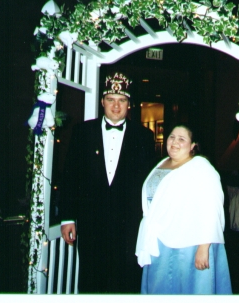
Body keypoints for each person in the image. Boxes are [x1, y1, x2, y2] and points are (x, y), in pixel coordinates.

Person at [60, 72, 156, 293]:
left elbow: (149, 183)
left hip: (128, 226)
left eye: (122, 100)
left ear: (129, 105)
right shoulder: (83, 131)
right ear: (102, 101)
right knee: (91, 280)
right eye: (111, 100)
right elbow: (70, 176)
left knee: (126, 281)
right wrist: (67, 217)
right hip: (91, 222)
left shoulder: (144, 136)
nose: (116, 106)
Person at [135, 124, 232, 294]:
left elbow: (213, 207)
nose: (174, 142)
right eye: (172, 137)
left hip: (190, 245)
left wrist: (204, 247)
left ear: (193, 145)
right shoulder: (161, 163)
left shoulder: (201, 167)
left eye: (182, 139)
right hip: (160, 242)